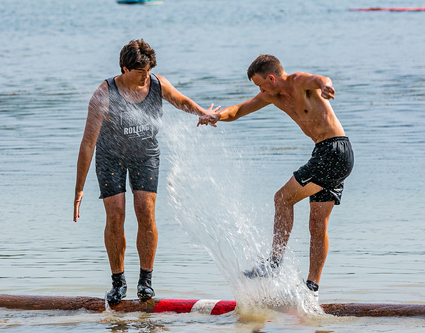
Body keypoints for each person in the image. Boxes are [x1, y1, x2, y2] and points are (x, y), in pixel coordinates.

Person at [73, 39, 219, 304]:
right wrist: (79, 188)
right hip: (110, 158)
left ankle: (146, 282)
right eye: (141, 73)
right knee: (115, 217)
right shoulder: (103, 94)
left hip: (145, 156)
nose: (146, 77)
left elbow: (181, 101)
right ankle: (118, 283)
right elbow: (87, 144)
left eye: (148, 71)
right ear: (125, 69)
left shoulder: (157, 84)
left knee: (145, 213)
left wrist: (202, 112)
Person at [197, 55, 354, 297]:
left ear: (271, 77)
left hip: (334, 150)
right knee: (316, 223)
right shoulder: (271, 96)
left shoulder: (299, 82)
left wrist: (326, 86)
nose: (260, 90)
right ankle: (312, 286)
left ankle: (274, 262)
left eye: (260, 84)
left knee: (282, 198)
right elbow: (238, 109)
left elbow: (319, 79)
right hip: (331, 155)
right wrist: (218, 116)